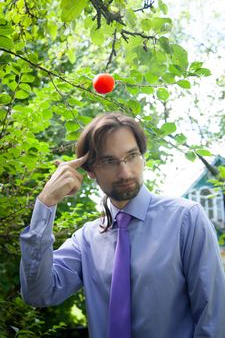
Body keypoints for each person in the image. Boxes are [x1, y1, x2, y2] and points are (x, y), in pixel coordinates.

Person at [20, 112, 225, 338]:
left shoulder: (186, 219)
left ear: (142, 158)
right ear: (90, 171)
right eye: (109, 161)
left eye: (132, 156)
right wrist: (45, 204)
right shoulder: (86, 239)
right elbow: (38, 294)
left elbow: (212, 318)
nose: (125, 172)